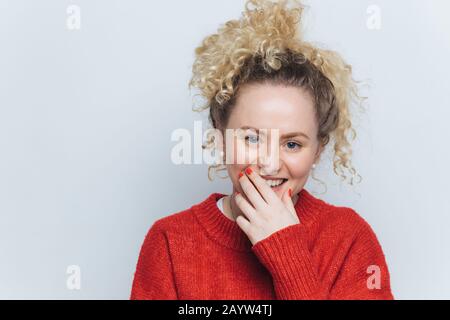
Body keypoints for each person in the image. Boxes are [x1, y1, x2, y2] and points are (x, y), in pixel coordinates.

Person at [130, 0, 394, 300]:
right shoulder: (170, 241)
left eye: (292, 144)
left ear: (318, 150)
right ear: (221, 137)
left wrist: (286, 251)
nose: (269, 164)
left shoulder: (349, 239)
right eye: (252, 139)